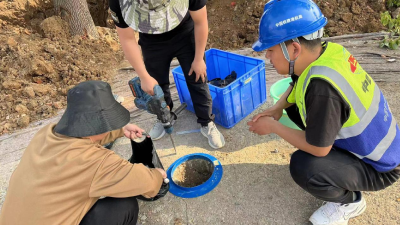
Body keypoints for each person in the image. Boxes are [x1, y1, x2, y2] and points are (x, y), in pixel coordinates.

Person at [247, 0, 400, 224]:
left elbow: (318, 149)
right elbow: (297, 82)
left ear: (295, 49)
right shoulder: (328, 53)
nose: (267, 57)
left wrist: (273, 127)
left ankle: (350, 202)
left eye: (270, 50)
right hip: (380, 146)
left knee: (305, 167)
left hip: (380, 167)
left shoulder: (322, 90)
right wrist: (278, 108)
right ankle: (342, 171)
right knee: (300, 113)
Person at [0, 81, 166, 225]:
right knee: (124, 207)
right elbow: (148, 183)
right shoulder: (96, 163)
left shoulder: (46, 133)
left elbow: (82, 136)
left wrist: (120, 130)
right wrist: (157, 175)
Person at [108, 0, 225, 149]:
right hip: (151, 41)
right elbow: (127, 39)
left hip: (185, 33)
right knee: (156, 86)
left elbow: (201, 21)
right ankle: (165, 117)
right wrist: (144, 77)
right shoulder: (118, 2)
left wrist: (198, 58)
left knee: (197, 79)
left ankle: (206, 121)